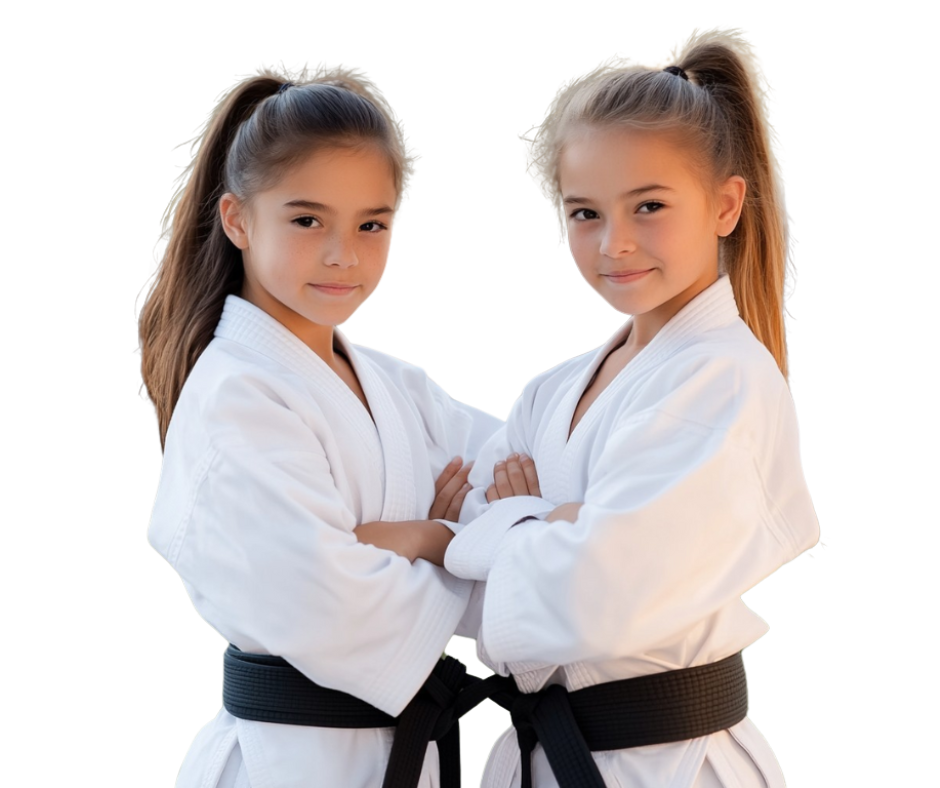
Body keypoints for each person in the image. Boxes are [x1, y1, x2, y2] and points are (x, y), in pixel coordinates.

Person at [444, 26, 820, 788]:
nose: (615, 242)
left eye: (648, 205)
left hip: (668, 763)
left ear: (725, 204)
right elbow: (468, 603)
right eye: (585, 213)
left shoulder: (721, 380)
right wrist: (559, 524)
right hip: (539, 757)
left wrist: (511, 519)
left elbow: (595, 597)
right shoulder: (551, 390)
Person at [139, 62, 503, 788]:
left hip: (405, 759)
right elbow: (340, 608)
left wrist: (415, 545)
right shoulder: (234, 399)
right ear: (238, 219)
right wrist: (451, 540)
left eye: (373, 224)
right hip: (286, 763)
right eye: (307, 220)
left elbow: (536, 489)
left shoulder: (397, 385)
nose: (344, 255)